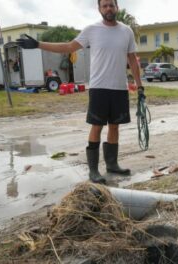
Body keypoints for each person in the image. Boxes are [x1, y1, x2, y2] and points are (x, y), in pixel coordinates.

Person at [17, 0, 143, 184]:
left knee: (115, 126)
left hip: (119, 88)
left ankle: (112, 164)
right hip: (99, 88)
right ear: (99, 9)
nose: (108, 8)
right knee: (97, 126)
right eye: (105, 5)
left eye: (111, 5)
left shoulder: (126, 31)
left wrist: (139, 86)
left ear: (117, 7)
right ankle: (93, 170)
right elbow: (68, 47)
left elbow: (132, 59)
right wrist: (38, 44)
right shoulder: (92, 30)